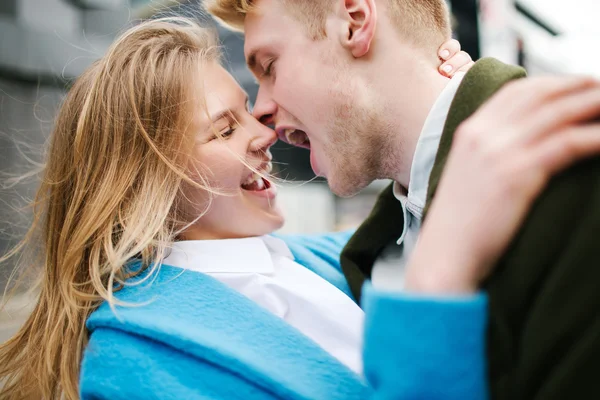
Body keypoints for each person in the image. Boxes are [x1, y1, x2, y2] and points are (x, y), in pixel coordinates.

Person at [0, 17, 596, 400]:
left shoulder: (321, 258)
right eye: (223, 129)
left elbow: (413, 209)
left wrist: (441, 116)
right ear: (146, 183)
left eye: (254, 100)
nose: (263, 129)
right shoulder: (131, 365)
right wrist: (438, 282)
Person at [206, 0, 600, 399]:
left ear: (354, 23)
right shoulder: (373, 252)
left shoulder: (572, 175)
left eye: (270, 67)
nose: (263, 111)